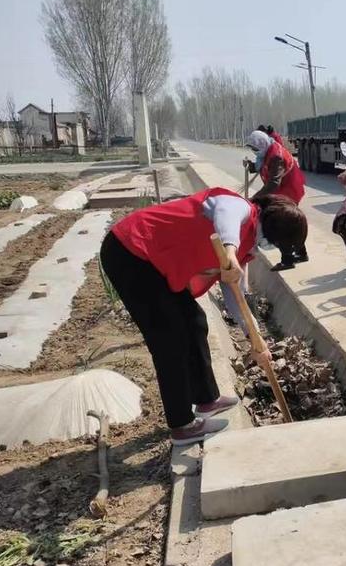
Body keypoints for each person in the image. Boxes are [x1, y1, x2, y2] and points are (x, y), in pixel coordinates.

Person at [99, 188, 307, 445]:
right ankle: (182, 425)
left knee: (194, 322)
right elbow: (225, 215)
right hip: (130, 251)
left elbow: (236, 297)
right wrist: (229, 251)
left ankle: (206, 399)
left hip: (154, 265)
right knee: (169, 338)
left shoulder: (246, 247)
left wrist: (254, 338)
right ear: (273, 235)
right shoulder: (240, 209)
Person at [245, 129, 308, 270]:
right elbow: (265, 166)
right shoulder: (268, 150)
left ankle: (287, 260)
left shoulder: (276, 156)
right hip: (283, 190)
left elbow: (274, 182)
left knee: (282, 224)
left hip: (289, 190)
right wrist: (253, 167)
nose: (255, 152)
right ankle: (301, 254)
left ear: (262, 144)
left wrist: (255, 199)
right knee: (292, 222)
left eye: (256, 149)